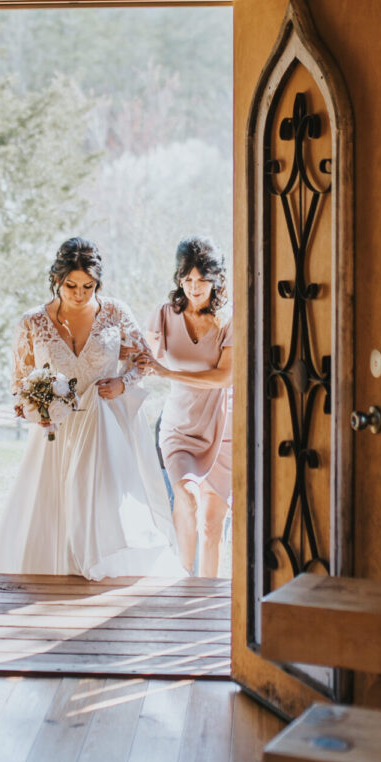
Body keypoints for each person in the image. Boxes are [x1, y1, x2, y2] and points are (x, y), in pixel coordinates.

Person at [0, 237, 184, 579]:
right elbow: (19, 382)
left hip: (103, 429)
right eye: (71, 286)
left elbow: (144, 361)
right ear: (56, 280)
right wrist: (34, 405)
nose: (79, 294)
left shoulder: (115, 312)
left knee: (106, 508)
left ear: (98, 283)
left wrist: (123, 383)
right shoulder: (31, 323)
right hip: (56, 432)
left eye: (88, 286)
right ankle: (57, 574)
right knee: (53, 508)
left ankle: (104, 569)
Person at [137, 236, 233, 578]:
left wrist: (167, 371)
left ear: (216, 279)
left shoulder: (228, 321)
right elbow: (140, 362)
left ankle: (207, 593)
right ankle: (182, 583)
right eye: (188, 279)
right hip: (179, 428)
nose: (195, 287)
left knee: (212, 525)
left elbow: (224, 378)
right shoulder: (163, 316)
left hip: (223, 429)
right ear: (179, 278)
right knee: (187, 499)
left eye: (203, 280)